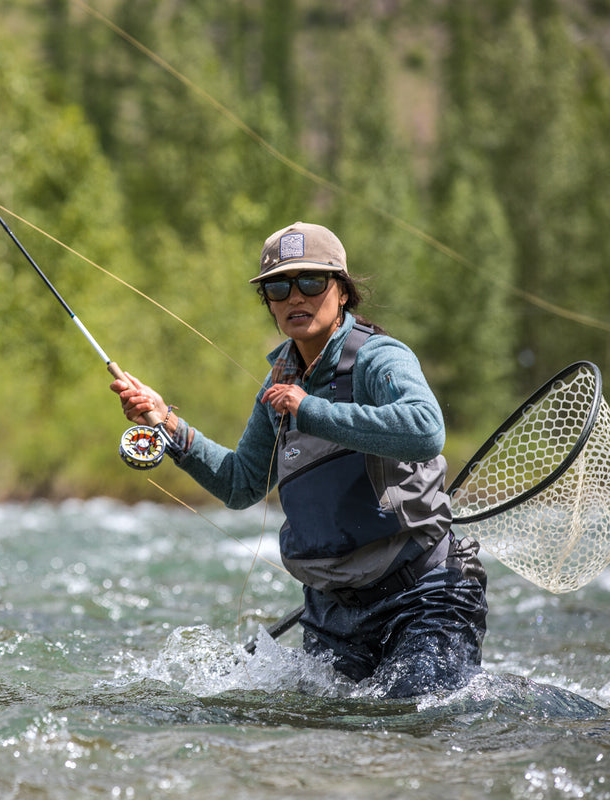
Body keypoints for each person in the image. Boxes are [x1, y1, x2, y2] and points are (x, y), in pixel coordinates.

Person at [111, 221, 488, 698]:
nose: (295, 297)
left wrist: (308, 410)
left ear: (343, 293)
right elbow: (240, 484)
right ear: (268, 302)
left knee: (414, 715)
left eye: (311, 282)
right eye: (278, 287)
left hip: (424, 596)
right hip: (331, 615)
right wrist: (168, 425)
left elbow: (425, 431)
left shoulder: (378, 359)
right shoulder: (280, 382)